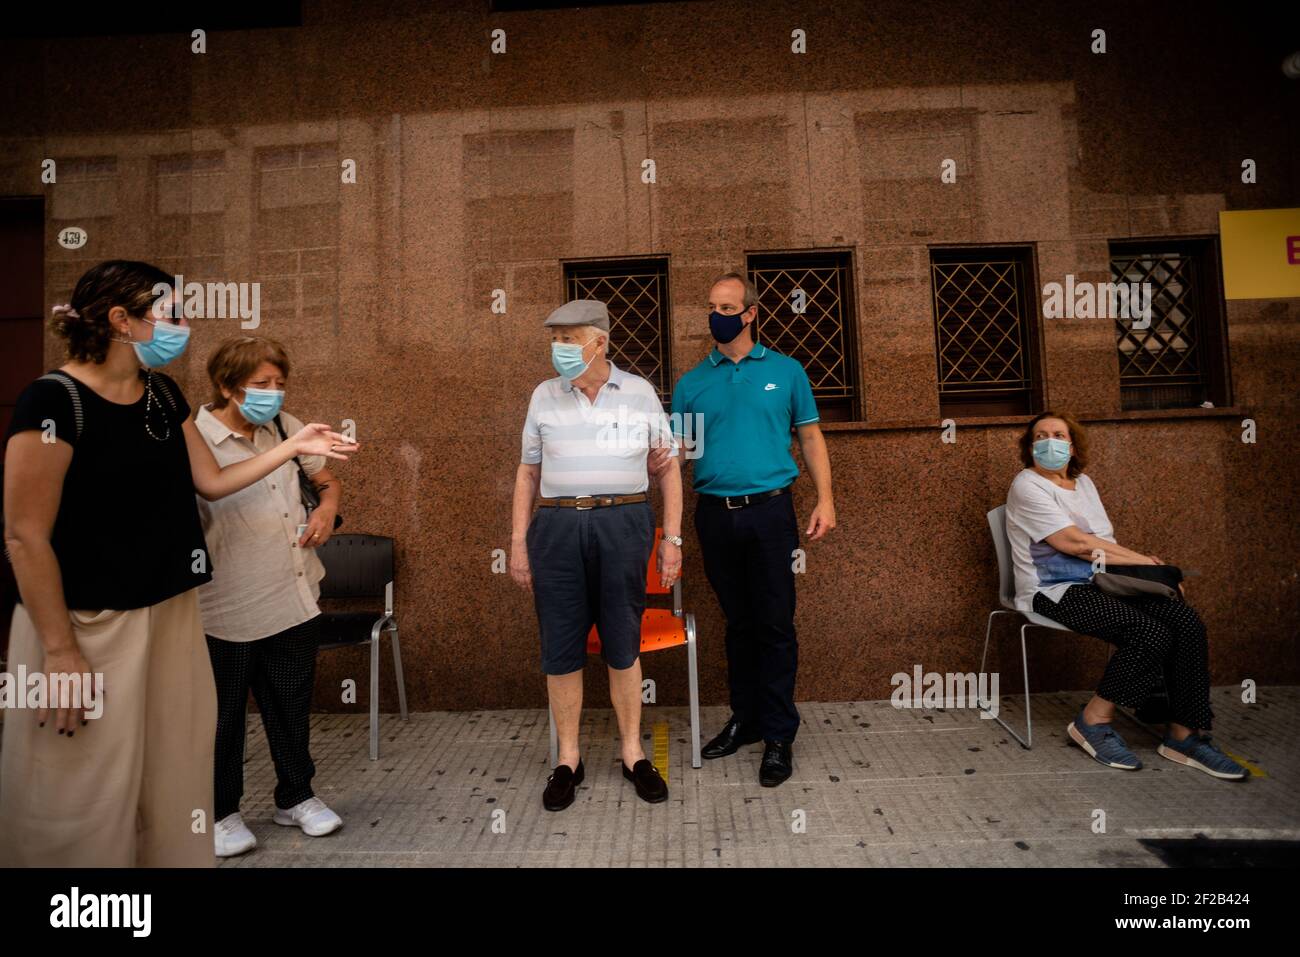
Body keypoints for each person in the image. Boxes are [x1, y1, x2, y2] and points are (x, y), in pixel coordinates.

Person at [0, 260, 358, 867]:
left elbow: (213, 481)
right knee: (83, 783)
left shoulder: (162, 395)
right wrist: (59, 652)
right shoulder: (52, 401)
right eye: (172, 312)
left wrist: (295, 447)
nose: (185, 325)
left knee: (170, 781)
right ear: (121, 320)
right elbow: (24, 536)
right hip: (89, 624)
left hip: (171, 610)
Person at [660, 272, 836, 787]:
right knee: (738, 623)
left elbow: (810, 436)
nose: (719, 315)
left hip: (770, 512)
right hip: (714, 514)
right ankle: (746, 719)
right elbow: (678, 458)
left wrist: (825, 498)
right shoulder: (692, 383)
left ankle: (779, 732)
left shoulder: (786, 371)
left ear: (751, 313)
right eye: (713, 305)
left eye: (729, 306)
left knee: (775, 623)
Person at [1004, 411, 1246, 780]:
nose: (1049, 441)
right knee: (1148, 633)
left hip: (1104, 582)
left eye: (1057, 434)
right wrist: (1154, 566)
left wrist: (1147, 570)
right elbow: (1075, 543)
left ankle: (1184, 733)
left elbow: (1104, 544)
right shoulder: (1027, 485)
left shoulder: (1083, 484)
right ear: (1030, 446)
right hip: (1053, 590)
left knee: (1185, 621)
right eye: (1040, 435)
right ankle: (1092, 720)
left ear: (1072, 445)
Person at [509, 299, 683, 811]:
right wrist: (519, 542)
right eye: (555, 339)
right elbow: (527, 473)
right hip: (557, 526)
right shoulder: (544, 395)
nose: (559, 349)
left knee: (622, 639)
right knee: (560, 645)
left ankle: (632, 752)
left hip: (623, 521)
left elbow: (669, 468)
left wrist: (671, 540)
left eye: (569, 339)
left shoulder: (638, 392)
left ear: (600, 342)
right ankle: (568, 759)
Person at [195, 336, 346, 857]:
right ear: (225, 385)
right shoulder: (196, 438)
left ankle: (296, 796)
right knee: (224, 714)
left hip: (293, 590)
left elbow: (325, 481)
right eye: (261, 385)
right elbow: (211, 489)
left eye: (280, 384)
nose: (274, 394)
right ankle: (222, 812)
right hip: (224, 603)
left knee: (289, 703)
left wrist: (327, 508)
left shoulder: (284, 426)